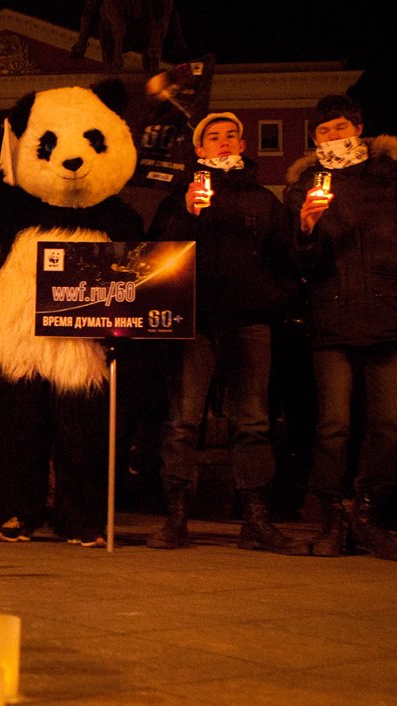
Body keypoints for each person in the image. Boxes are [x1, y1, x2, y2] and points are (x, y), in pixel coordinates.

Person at [284, 94, 397, 561]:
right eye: (324, 131)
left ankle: (370, 518)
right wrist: (306, 231)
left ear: (359, 128)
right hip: (332, 317)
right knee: (333, 425)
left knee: (388, 425)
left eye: (341, 128)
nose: (334, 137)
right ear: (314, 138)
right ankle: (333, 520)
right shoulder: (303, 187)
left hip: (394, 316)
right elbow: (299, 264)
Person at [147, 112, 308, 554]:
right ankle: (176, 516)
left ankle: (255, 519)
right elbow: (158, 255)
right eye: (212, 137)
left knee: (253, 423)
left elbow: (286, 258)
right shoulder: (178, 198)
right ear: (199, 150)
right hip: (195, 322)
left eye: (230, 136)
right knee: (183, 421)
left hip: (250, 322)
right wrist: (188, 215)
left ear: (240, 145)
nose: (222, 142)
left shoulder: (263, 200)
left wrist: (276, 296)